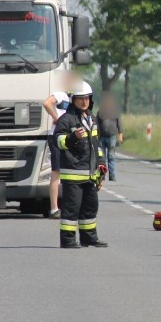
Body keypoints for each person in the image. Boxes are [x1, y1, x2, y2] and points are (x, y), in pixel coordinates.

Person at [54, 81, 108, 249]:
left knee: (90, 207)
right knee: (72, 209)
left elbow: (96, 145)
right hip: (73, 173)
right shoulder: (66, 120)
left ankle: (89, 238)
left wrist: (101, 164)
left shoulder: (91, 118)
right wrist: (73, 138)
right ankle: (68, 240)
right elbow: (58, 142)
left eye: (86, 98)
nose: (84, 101)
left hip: (90, 173)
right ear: (73, 100)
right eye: (80, 98)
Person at [42, 90, 70, 218]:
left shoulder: (72, 98)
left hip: (69, 137)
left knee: (68, 172)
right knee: (57, 172)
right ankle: (54, 208)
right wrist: (57, 118)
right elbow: (47, 103)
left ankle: (67, 206)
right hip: (58, 135)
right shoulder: (61, 94)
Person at [96, 91, 124, 182]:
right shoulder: (100, 112)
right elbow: (96, 123)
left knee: (111, 156)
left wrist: (120, 135)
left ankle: (112, 176)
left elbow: (119, 123)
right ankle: (102, 174)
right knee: (102, 157)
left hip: (112, 136)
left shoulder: (115, 112)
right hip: (102, 137)